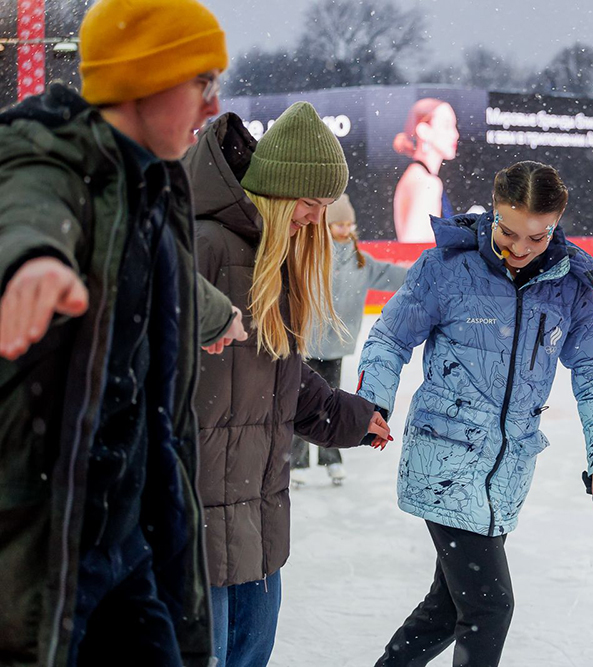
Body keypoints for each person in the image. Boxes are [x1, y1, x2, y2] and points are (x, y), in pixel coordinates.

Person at [0, 0, 247, 663]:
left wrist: (218, 313)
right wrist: (33, 262)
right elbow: (27, 211)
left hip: (128, 537)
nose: (211, 104)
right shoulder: (49, 158)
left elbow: (144, 275)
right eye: (201, 82)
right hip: (41, 548)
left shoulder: (152, 186)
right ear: (145, 78)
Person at [357, 161, 593, 667]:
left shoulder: (572, 286)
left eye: (537, 237)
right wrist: (374, 401)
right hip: (443, 461)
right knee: (489, 607)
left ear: (557, 222)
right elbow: (390, 337)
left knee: (447, 607)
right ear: (493, 211)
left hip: (506, 472)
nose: (520, 249)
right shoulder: (446, 268)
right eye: (508, 231)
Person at [184, 102, 392, 667]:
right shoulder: (203, 245)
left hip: (254, 511)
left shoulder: (269, 256)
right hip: (196, 519)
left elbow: (276, 374)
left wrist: (344, 415)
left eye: (325, 207)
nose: (314, 218)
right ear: (277, 190)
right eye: (309, 202)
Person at [291, 194, 408, 486]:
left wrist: (427, 273)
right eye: (338, 224)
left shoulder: (360, 261)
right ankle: (297, 462)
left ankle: (331, 459)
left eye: (349, 224)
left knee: (331, 401)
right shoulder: (311, 254)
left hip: (335, 347)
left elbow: (394, 276)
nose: (344, 230)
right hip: (307, 343)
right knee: (301, 401)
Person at [393, 98, 460, 242]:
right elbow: (413, 246)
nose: (455, 134)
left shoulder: (419, 176)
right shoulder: (426, 182)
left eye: (454, 126)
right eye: (447, 125)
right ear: (424, 131)